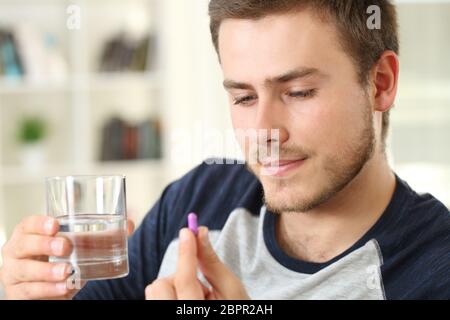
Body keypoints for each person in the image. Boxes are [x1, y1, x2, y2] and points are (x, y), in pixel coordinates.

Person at [1, 0, 449, 300]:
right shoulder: (197, 200)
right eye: (243, 98)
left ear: (381, 83)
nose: (264, 132)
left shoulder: (436, 270)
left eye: (298, 92)